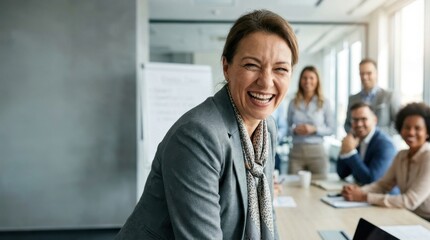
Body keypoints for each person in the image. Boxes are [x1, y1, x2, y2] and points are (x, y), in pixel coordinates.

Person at [115, 9, 299, 240]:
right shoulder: (197, 136)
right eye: (252, 65)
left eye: (281, 69)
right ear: (226, 67)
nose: (266, 81)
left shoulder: (267, 127)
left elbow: (266, 213)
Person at [342, 102, 430, 221]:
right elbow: (383, 184)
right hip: (407, 215)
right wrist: (355, 192)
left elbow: (410, 201)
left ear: (427, 132)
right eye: (407, 127)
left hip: (425, 220)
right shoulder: (401, 155)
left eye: (417, 128)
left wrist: (364, 196)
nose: (411, 132)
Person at [286, 66, 334, 176]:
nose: (308, 81)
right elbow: (286, 128)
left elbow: (331, 129)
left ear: (317, 80)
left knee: (319, 186)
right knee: (293, 185)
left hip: (317, 152)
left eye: (311, 78)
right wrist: (294, 130)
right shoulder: (293, 102)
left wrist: (315, 129)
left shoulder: (324, 102)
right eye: (304, 78)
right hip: (296, 152)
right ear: (300, 80)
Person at [337, 102, 397, 185]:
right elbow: (342, 173)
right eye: (355, 120)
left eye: (364, 119)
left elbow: (371, 180)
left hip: (383, 196)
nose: (359, 124)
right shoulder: (355, 139)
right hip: (359, 193)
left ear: (375, 120)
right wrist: (345, 150)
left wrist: (351, 152)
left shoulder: (385, 144)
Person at [344, 58, 400, 136]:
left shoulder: (389, 96)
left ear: (376, 74)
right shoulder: (352, 99)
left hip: (383, 143)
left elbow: (398, 124)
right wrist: (356, 134)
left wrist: (374, 134)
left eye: (369, 73)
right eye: (362, 74)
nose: (365, 77)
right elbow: (347, 125)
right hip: (360, 146)